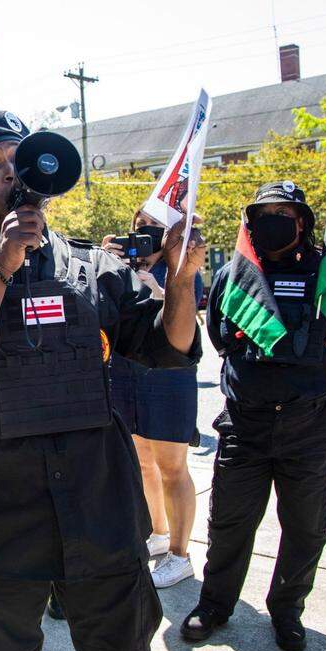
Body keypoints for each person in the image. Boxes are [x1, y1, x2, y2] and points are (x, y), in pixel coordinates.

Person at [0, 110, 203, 651]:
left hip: (99, 510)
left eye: (21, 161)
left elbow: (172, 347)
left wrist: (183, 278)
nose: (12, 175)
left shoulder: (94, 268)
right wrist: (0, 268)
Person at [182, 180, 326, 651]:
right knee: (229, 523)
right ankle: (215, 605)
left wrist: (309, 370)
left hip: (311, 428)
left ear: (302, 222)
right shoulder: (234, 275)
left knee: (307, 525)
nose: (270, 221)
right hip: (246, 426)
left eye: (281, 213)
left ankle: (287, 610)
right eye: (261, 213)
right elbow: (222, 339)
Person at [102, 214, 206, 590]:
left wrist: (160, 289)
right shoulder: (121, 258)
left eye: (155, 223)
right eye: (141, 220)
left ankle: (180, 555)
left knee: (172, 466)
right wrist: (106, 264)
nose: (146, 228)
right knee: (142, 461)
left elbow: (190, 320)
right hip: (126, 369)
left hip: (168, 374)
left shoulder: (182, 259)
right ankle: (158, 531)